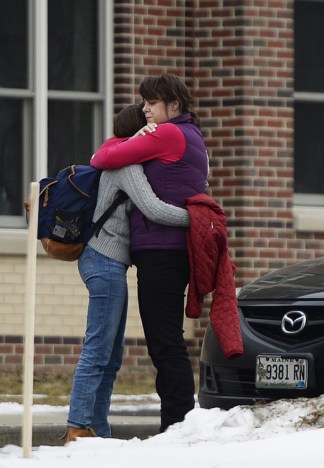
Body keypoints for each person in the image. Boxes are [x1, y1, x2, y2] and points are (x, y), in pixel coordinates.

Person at [64, 103, 192, 443]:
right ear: (138, 132)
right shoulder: (127, 165)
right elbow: (152, 208)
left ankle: (98, 430)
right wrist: (197, 219)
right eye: (148, 127)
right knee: (98, 349)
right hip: (104, 259)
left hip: (107, 261)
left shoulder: (121, 159)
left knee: (111, 354)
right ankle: (78, 427)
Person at [90, 74, 209, 432]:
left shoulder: (170, 133)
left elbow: (105, 157)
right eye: (144, 102)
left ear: (174, 105)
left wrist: (116, 145)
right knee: (166, 340)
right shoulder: (194, 137)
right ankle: (177, 422)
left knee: (165, 343)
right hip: (170, 252)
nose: (145, 109)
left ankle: (177, 425)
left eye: (152, 102)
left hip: (161, 250)